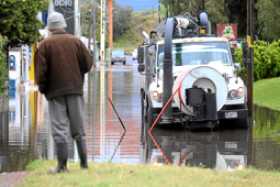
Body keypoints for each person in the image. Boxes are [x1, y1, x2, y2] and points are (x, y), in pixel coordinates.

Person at [35, 12, 93, 173]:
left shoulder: (44, 45)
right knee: (78, 129)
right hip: (75, 90)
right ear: (63, 25)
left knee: (60, 130)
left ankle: (62, 166)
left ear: (50, 28)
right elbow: (88, 64)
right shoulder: (76, 42)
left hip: (55, 93)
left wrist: (43, 89)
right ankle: (84, 165)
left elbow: (40, 74)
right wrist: (77, 74)